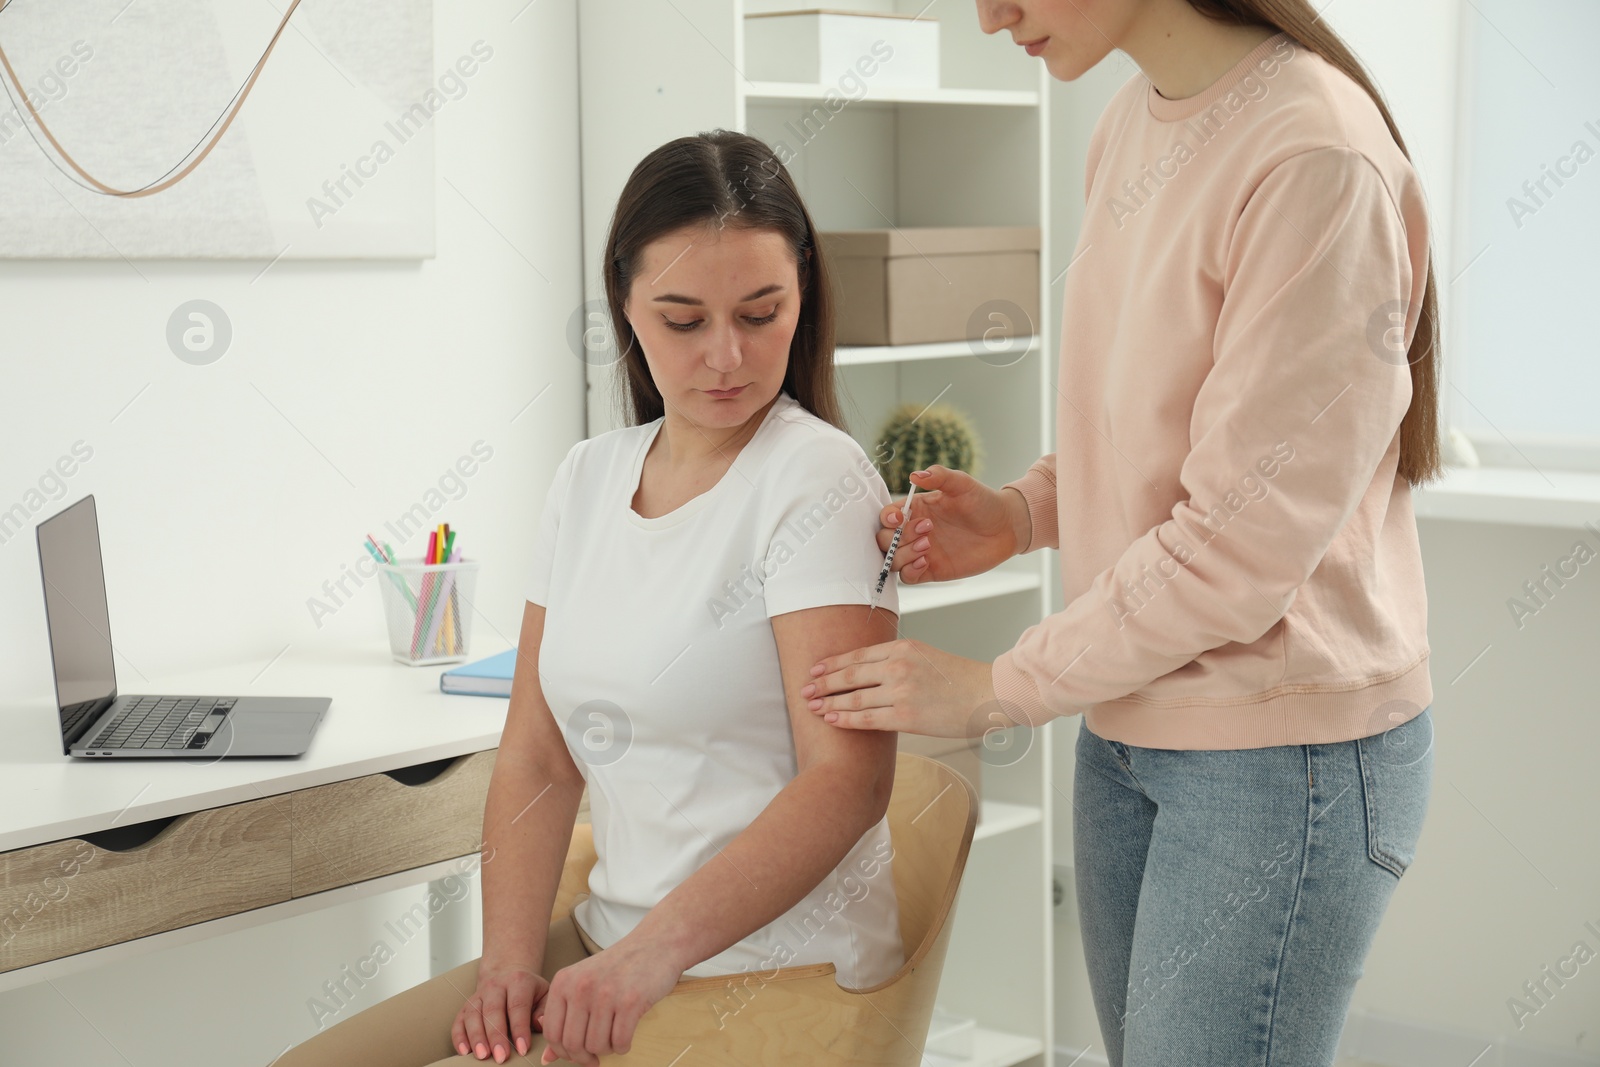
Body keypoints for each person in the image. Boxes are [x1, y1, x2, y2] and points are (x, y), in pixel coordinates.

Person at [802, 1, 1438, 1064]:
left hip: (1281, 760)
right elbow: (1158, 432)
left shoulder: (1312, 158)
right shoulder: (1129, 123)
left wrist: (996, 684)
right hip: (1132, 726)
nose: (987, 13)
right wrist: (1023, 512)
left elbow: (1236, 544)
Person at [277, 131, 906, 1067]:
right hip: (612, 953)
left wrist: (644, 960)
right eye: (684, 320)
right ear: (624, 302)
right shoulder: (587, 477)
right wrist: (506, 966)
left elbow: (845, 781)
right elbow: (536, 756)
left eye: (761, 313)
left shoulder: (819, 480)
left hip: (771, 978)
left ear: (802, 294)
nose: (727, 356)